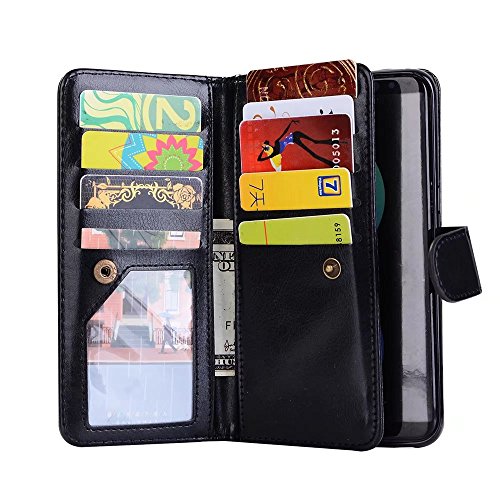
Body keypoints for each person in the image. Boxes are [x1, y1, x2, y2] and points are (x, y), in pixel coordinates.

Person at [257, 119, 337, 171]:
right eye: (267, 148)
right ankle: (330, 163)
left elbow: (284, 132)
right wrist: (262, 151)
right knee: (312, 153)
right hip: (295, 139)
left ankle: (332, 142)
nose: (268, 147)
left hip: (295, 134)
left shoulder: (276, 142)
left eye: (267, 146)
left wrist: (291, 123)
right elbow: (259, 159)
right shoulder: (273, 154)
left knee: (315, 142)